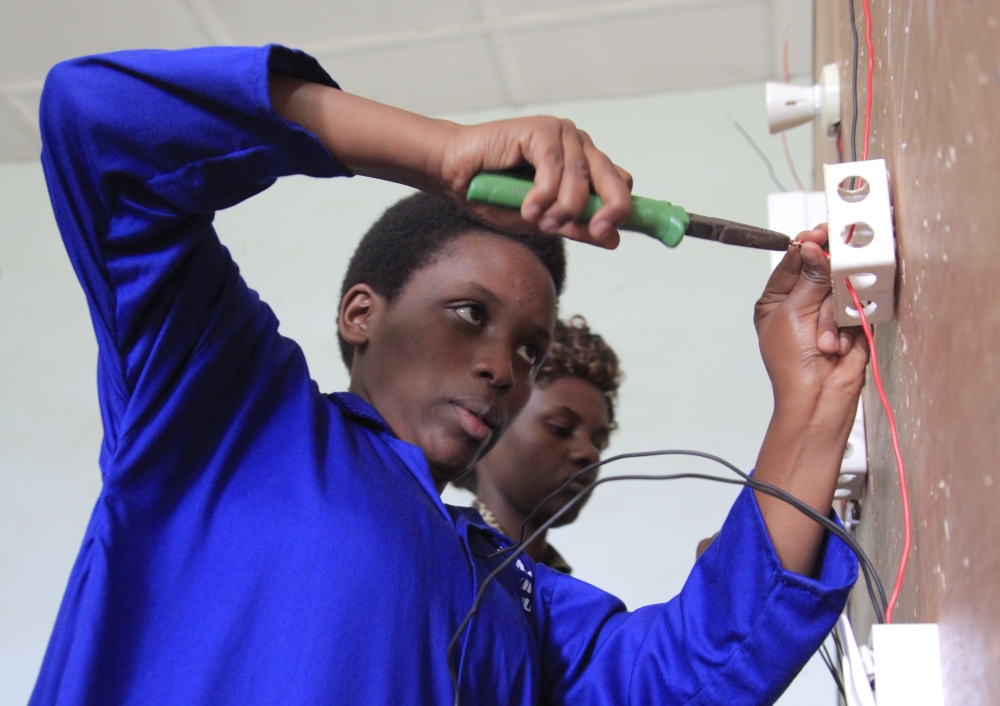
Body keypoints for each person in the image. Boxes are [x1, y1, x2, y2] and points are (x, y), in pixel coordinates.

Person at [32, 43, 867, 705]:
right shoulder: (230, 418)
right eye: (470, 314)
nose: (503, 369)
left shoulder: (513, 596)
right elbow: (101, 123)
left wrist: (812, 397)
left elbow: (689, 673)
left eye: (531, 351)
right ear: (362, 315)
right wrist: (443, 156)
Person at [454, 316, 620, 574]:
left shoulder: (567, 596)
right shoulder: (444, 561)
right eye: (560, 428)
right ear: (490, 424)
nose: (589, 454)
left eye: (600, 442)